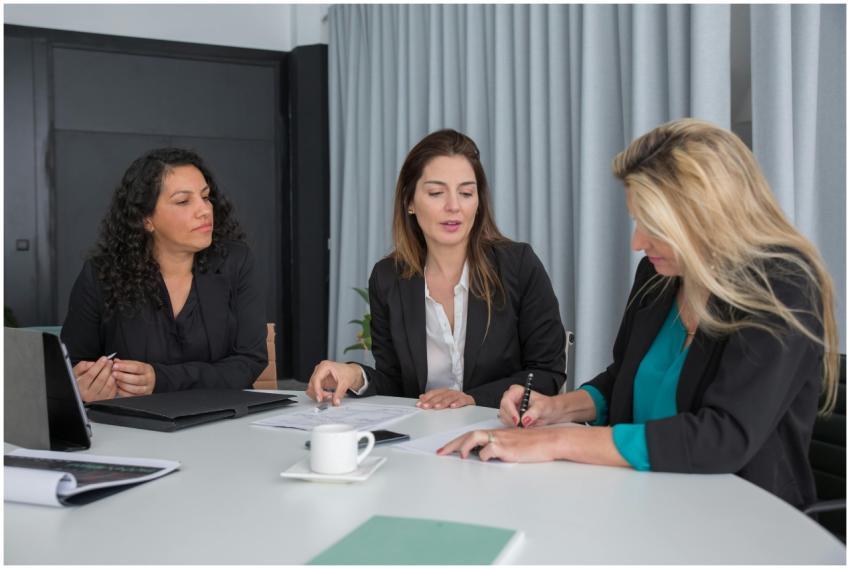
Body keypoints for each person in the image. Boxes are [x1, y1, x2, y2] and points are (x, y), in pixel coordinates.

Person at [439, 118, 839, 509]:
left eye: (652, 224)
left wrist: (559, 440)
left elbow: (725, 437)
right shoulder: (659, 274)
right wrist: (556, 408)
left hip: (744, 519)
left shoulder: (783, 285)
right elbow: (623, 380)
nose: (637, 242)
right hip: (644, 498)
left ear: (709, 214)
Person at [307, 129, 566, 409]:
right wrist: (355, 375)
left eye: (466, 192)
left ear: (478, 202)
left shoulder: (518, 265)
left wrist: (472, 400)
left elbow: (547, 372)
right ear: (409, 202)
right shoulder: (387, 278)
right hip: (422, 436)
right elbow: (396, 382)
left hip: (500, 431)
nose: (453, 206)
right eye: (436, 193)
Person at [61, 148, 268, 402]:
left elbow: (249, 361)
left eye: (206, 197)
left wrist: (160, 379)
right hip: (134, 429)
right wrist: (83, 387)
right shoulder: (102, 274)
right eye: (183, 201)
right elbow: (73, 366)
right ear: (146, 219)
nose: (204, 210)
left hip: (222, 419)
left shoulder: (235, 261)